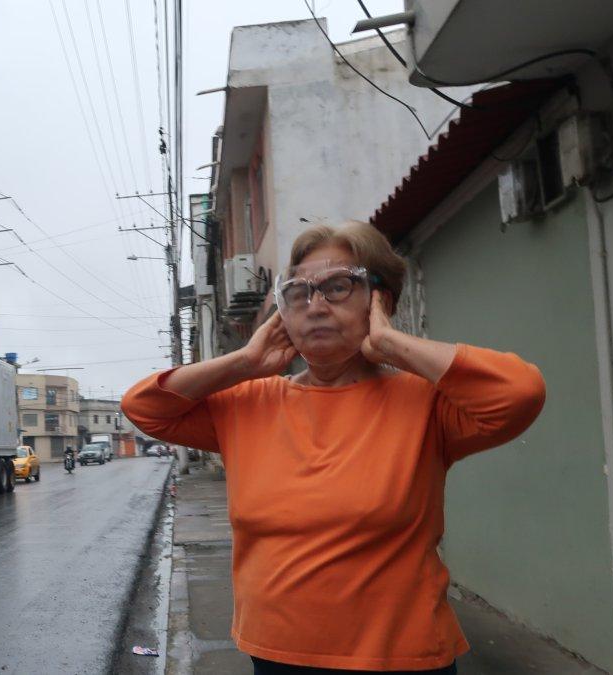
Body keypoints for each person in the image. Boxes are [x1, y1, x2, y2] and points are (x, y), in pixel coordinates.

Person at [122, 222, 546, 674]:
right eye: (300, 293)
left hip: (400, 658)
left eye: (338, 287)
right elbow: (144, 407)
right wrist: (245, 362)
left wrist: (391, 344)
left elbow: (519, 393)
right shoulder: (249, 404)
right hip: (276, 655)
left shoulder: (426, 404)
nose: (316, 306)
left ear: (381, 300)